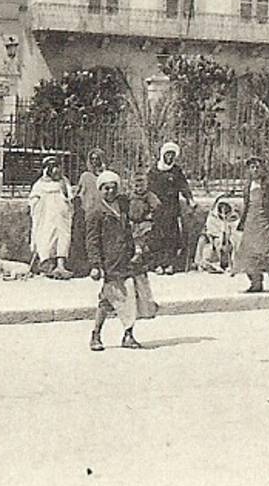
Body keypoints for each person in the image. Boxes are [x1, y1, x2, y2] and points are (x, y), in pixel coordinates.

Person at [86, 170, 155, 351]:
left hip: (128, 258)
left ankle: (128, 335)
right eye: (106, 188)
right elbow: (92, 240)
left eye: (113, 188)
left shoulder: (123, 205)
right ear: (100, 190)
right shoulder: (96, 211)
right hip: (111, 261)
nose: (110, 192)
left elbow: (138, 214)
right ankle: (96, 334)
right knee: (107, 299)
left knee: (130, 296)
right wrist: (95, 264)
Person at [234, 155, 269, 294]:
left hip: (265, 221)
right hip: (250, 221)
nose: (255, 170)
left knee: (268, 250)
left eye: (257, 167)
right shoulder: (247, 185)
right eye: (252, 167)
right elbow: (246, 204)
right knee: (249, 252)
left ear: (262, 169)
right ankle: (255, 283)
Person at [146, 142, 194, 274]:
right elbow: (148, 189)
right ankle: (158, 264)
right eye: (168, 154)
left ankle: (170, 264)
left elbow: (183, 186)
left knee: (172, 237)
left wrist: (190, 199)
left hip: (172, 208)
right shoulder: (154, 171)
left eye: (172, 155)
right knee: (158, 236)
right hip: (158, 209)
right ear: (163, 154)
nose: (170, 157)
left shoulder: (176, 171)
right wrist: (151, 203)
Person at [27, 156, 76, 279]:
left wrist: (65, 196)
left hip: (61, 216)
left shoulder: (64, 181)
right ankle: (47, 265)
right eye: (52, 167)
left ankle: (61, 266)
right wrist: (38, 205)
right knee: (47, 238)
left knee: (63, 238)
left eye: (57, 166)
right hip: (46, 216)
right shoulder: (40, 184)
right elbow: (33, 199)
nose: (56, 170)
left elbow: (69, 197)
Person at [69, 148, 107, 276]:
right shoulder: (85, 176)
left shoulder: (106, 175)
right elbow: (80, 192)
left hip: (104, 210)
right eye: (92, 159)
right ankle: (92, 266)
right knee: (91, 238)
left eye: (97, 159)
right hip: (89, 211)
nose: (95, 161)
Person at [196, 196, 239, 273]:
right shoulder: (212, 218)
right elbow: (210, 230)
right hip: (214, 239)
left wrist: (227, 235)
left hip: (229, 240)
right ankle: (211, 264)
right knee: (206, 241)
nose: (223, 214)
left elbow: (234, 231)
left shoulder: (234, 218)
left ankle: (231, 264)